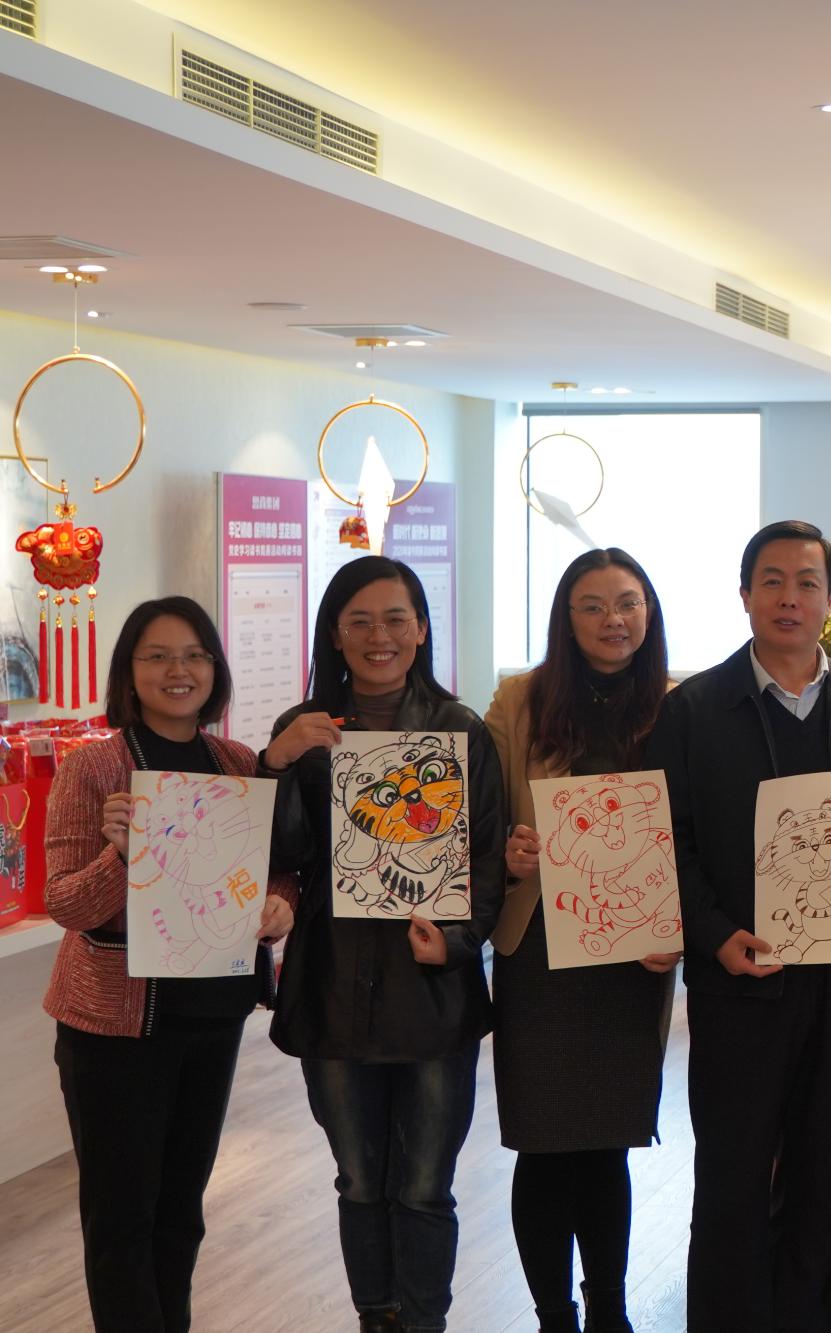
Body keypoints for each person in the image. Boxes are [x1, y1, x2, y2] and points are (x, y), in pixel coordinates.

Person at [648, 521, 831, 1333]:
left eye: (807, 582)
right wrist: (714, 932)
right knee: (732, 1180)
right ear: (745, 593)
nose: (789, 597)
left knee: (821, 1179)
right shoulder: (693, 708)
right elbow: (667, 837)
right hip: (737, 983)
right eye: (772, 580)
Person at [264, 556, 506, 1333]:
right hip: (333, 987)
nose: (380, 636)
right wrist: (279, 763)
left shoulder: (461, 729)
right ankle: (377, 1317)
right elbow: (278, 854)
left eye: (397, 618)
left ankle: (424, 1323)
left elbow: (487, 861)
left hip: (431, 992)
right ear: (335, 634)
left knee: (426, 1184)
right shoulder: (305, 729)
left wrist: (458, 943)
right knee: (360, 1179)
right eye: (360, 620)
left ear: (422, 628)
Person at [42, 597, 296, 1333]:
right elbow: (66, 903)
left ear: (214, 668)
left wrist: (279, 905)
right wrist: (121, 855)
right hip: (115, 1031)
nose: (177, 670)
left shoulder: (237, 764)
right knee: (122, 1220)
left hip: (212, 1019)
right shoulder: (94, 768)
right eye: (157, 655)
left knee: (181, 1212)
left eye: (194, 655)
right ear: (130, 670)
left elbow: (278, 870)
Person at [487, 549, 677, 1333]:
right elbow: (480, 809)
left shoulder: (678, 704)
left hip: (633, 954)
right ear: (566, 619)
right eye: (592, 605)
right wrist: (508, 849)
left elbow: (701, 825)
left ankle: (610, 1311)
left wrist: (678, 924)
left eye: (628, 602)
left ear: (649, 612)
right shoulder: (520, 699)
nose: (613, 619)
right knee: (544, 1143)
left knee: (607, 1142)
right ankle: (553, 1316)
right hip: (540, 953)